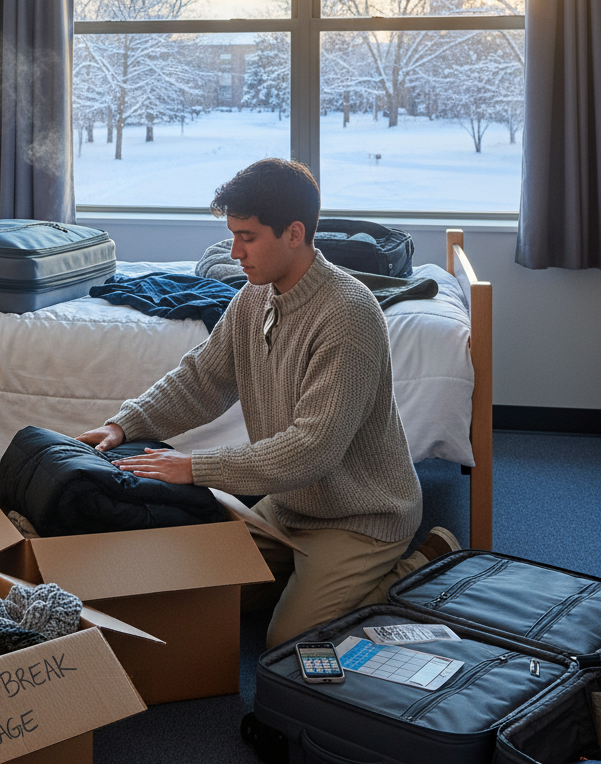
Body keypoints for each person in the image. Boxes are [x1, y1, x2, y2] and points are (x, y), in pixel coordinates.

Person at [77, 158, 458, 647]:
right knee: (201, 597)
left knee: (288, 642)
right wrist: (123, 426)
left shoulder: (349, 315)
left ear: (294, 233)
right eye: (232, 235)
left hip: (361, 518)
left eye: (248, 237)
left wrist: (194, 467)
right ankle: (307, 583)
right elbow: (202, 378)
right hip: (290, 507)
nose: (234, 252)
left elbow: (311, 450)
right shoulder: (254, 298)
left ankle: (419, 564)